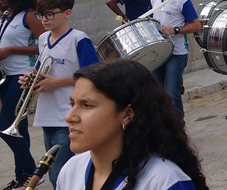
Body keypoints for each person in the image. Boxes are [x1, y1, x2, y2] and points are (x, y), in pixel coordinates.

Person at [58, 59, 209, 189]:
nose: (69, 117)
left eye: (87, 105)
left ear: (127, 114)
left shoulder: (164, 180)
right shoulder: (71, 170)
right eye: (73, 104)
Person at [26, 0, 100, 187]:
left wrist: (56, 82)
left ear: (67, 13)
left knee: (59, 173)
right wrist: (31, 80)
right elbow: (41, 69)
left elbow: (92, 73)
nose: (44, 19)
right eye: (41, 14)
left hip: (68, 114)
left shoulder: (78, 39)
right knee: (52, 169)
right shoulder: (42, 40)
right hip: (47, 114)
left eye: (50, 14)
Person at [0, 0, 45, 190]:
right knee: (19, 128)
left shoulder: (29, 16)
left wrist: (10, 50)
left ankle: (31, 171)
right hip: (7, 76)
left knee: (5, 124)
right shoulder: (7, 15)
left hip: (23, 77)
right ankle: (23, 176)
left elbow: (46, 44)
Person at [151, 0, 202, 116]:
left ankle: (178, 129)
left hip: (177, 53)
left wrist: (176, 30)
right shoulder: (154, 0)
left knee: (172, 93)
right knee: (158, 93)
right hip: (159, 53)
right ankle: (165, 128)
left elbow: (196, 25)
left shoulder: (183, 1)